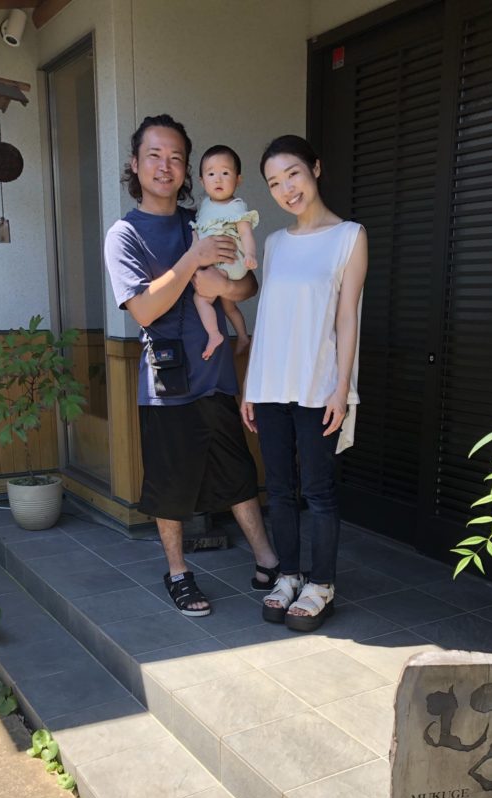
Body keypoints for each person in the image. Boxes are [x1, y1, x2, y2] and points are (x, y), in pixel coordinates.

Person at [104, 114, 277, 617]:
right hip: (167, 382)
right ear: (135, 164)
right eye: (154, 155)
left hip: (216, 373)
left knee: (238, 471)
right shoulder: (125, 234)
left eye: (176, 157)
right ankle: (178, 572)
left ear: (187, 170)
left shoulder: (204, 217)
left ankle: (267, 559)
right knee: (170, 485)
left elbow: (248, 284)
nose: (165, 166)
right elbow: (143, 309)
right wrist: (192, 259)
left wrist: (226, 285)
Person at [241, 134, 368, 633]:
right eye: (274, 183)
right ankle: (289, 576)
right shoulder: (274, 243)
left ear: (315, 168)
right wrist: (250, 385)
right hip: (271, 384)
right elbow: (268, 317)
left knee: (318, 490)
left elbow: (347, 318)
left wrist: (342, 389)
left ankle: (322, 585)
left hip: (318, 385)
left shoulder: (349, 236)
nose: (286, 189)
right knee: (278, 488)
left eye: (292, 174)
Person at [191, 145, 258, 360]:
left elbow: (246, 233)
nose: (218, 179)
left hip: (229, 261)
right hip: (220, 264)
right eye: (211, 174)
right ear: (202, 181)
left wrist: (250, 254)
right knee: (229, 305)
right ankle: (243, 336)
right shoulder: (205, 206)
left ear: (238, 180)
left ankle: (214, 334)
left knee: (201, 299)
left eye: (225, 173)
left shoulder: (237, 206)